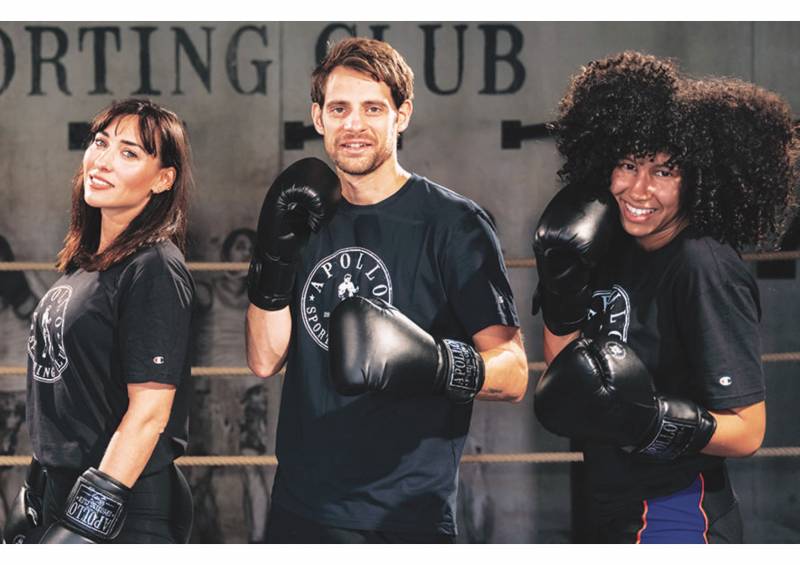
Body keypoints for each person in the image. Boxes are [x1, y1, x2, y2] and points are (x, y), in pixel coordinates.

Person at [245, 37, 528, 543]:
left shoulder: (453, 224)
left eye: (373, 108)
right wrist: (272, 258)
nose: (353, 124)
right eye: (339, 108)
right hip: (299, 509)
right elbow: (265, 360)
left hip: (405, 516)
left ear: (402, 115)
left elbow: (512, 373)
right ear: (318, 117)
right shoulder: (300, 219)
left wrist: (433, 362)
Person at [532, 51, 799, 543]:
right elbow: (563, 368)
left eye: (664, 171)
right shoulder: (606, 246)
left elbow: (748, 432)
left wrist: (653, 420)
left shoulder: (703, 267)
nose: (638, 189)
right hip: (607, 501)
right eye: (628, 164)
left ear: (694, 177)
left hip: (676, 511)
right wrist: (560, 286)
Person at [4, 99, 196, 544]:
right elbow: (68, 388)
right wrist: (40, 483)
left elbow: (150, 413)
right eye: (100, 143)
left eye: (129, 153)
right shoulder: (86, 263)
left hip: (122, 502)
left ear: (163, 179)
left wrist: (89, 517)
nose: (104, 160)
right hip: (61, 489)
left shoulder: (154, 267)